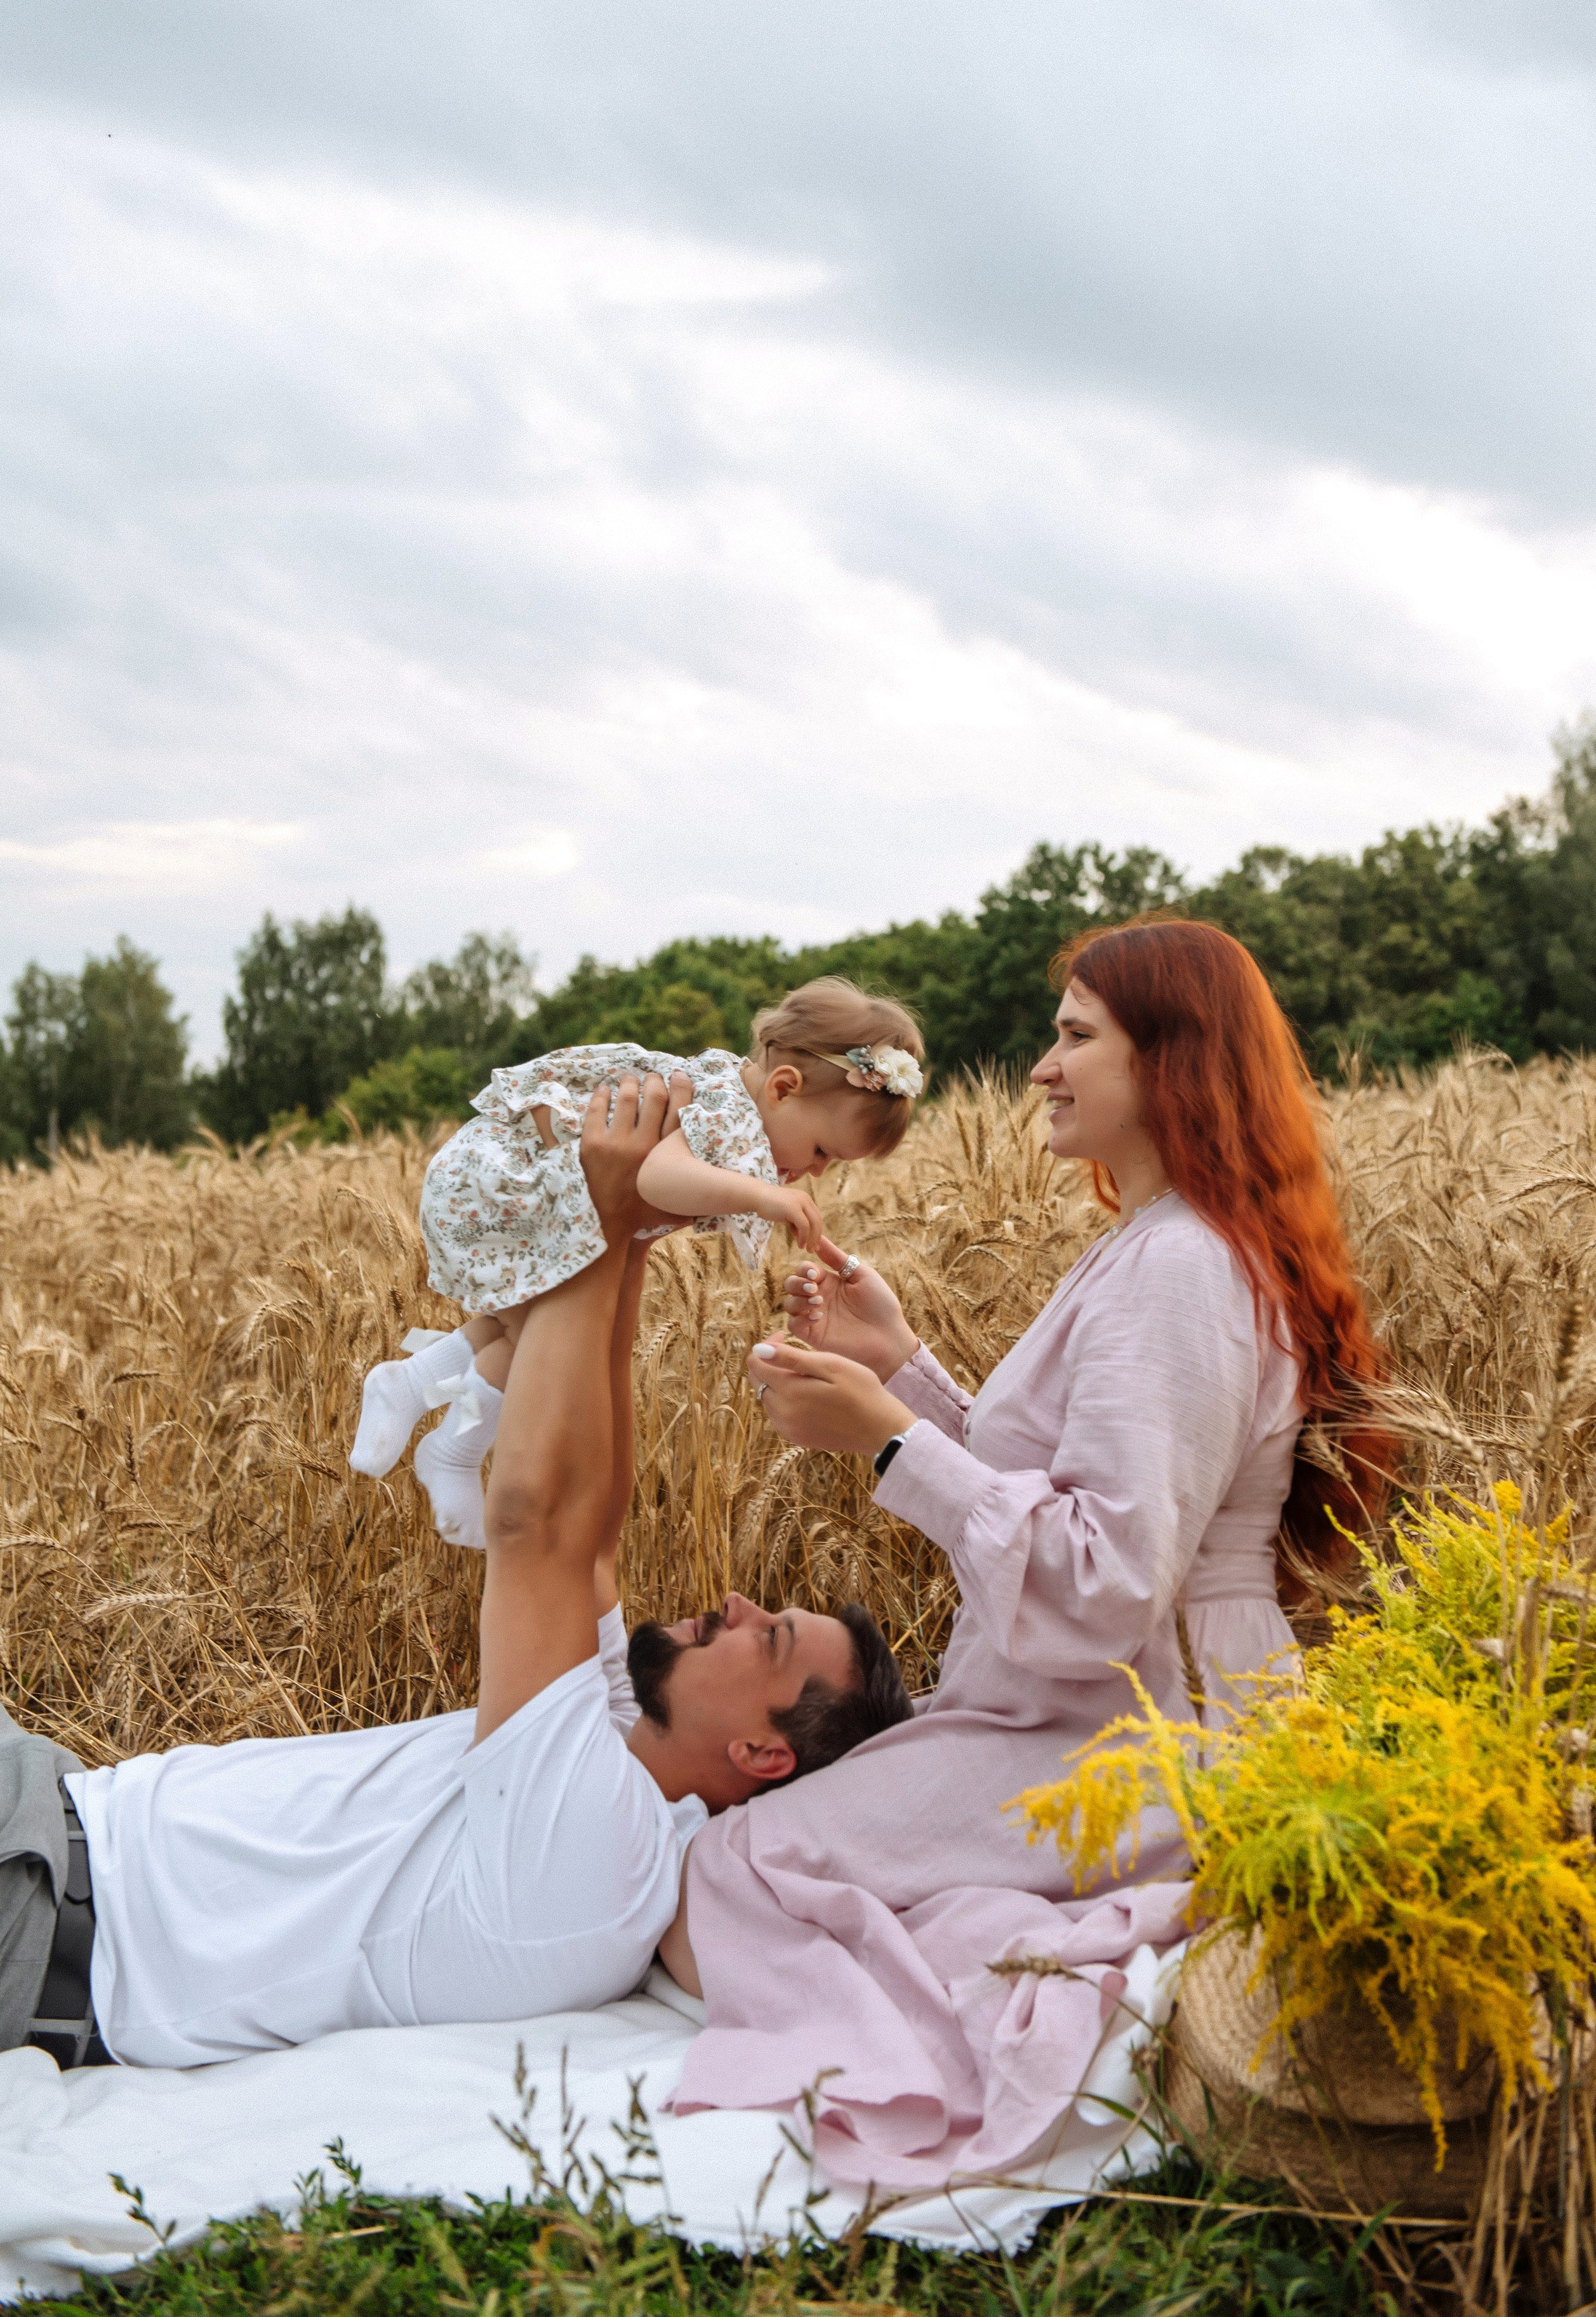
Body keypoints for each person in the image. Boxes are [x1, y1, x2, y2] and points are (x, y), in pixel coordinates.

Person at [660, 917, 1392, 2188]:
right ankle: (1021, 1940)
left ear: (1169, 1062)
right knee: (804, 1859)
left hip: (1133, 1730)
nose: (1040, 1069)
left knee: (737, 1864)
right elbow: (1065, 1491)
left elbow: (1107, 1579)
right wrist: (906, 1371)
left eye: (1071, 1038)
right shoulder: (1159, 1246)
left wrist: (887, 1441)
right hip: (1093, 1705)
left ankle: (943, 2038)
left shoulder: (1178, 1270)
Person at [3, 1072, 913, 2072]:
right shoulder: (615, 1748)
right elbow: (596, 1529)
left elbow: (538, 1522)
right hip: (59, 1816)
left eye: (768, 1636)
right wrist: (627, 1236)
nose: (736, 1603)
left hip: (40, 1908)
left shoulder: (602, 1858)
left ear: (762, 1753)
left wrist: (597, 1218)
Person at [349, 979, 926, 1541]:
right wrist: (765, 1196)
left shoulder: (738, 1108)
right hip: (511, 1182)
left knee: (531, 1332)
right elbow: (657, 1175)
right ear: (781, 1087)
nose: (820, 1170)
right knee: (539, 1344)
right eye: (823, 1150)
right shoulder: (728, 1107)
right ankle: (448, 1441)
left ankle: (415, 1391)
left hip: (546, 1192)